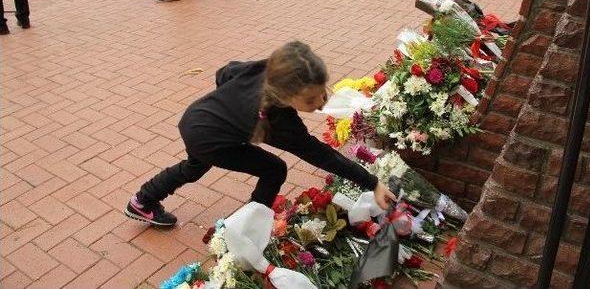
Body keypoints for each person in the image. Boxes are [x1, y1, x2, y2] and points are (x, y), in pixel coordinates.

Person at [124, 41, 396, 226]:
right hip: (209, 137)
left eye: (322, 92)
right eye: (311, 100)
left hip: (197, 116)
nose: (321, 103)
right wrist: (372, 183)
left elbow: (225, 72)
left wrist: (229, 105)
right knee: (274, 169)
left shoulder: (270, 70)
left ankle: (142, 201)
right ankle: (253, 225)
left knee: (194, 167)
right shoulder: (278, 121)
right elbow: (322, 156)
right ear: (286, 95)